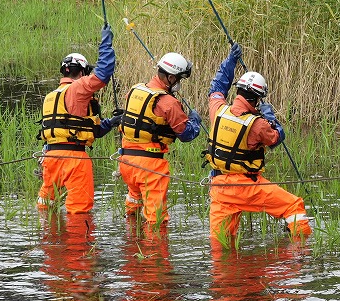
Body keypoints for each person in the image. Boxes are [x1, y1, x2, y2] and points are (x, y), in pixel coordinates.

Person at [203, 44, 311, 245]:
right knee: (294, 207)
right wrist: (271, 118)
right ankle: (300, 258)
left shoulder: (217, 110)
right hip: (247, 187)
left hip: (219, 187)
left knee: (221, 244)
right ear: (257, 98)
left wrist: (230, 61)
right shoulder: (258, 124)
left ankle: (224, 274)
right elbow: (276, 138)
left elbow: (216, 89)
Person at [37, 25, 119, 214]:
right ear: (82, 72)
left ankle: (48, 240)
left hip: (50, 157)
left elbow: (86, 128)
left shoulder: (52, 96)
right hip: (74, 158)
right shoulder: (79, 88)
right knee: (79, 210)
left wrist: (113, 122)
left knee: (46, 206)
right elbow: (104, 72)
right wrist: (106, 43)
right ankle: (78, 244)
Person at [117, 52, 202, 226]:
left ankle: (131, 242)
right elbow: (186, 134)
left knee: (133, 205)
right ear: (170, 77)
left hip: (126, 162)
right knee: (157, 221)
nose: (179, 83)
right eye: (178, 79)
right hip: (150, 167)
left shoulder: (135, 90)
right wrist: (195, 121)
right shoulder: (168, 103)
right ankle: (155, 251)